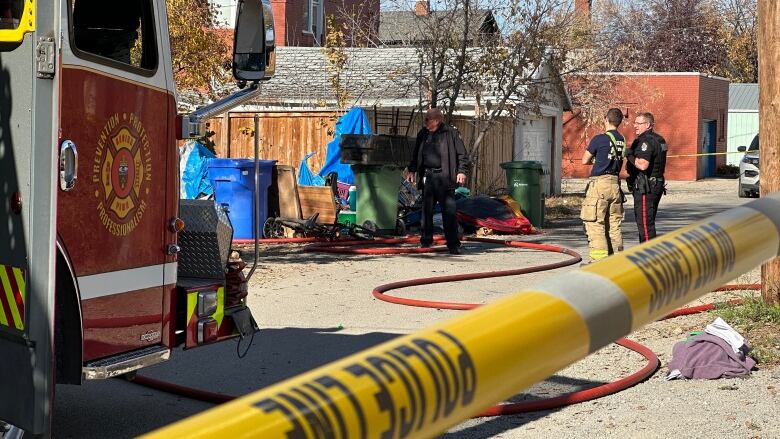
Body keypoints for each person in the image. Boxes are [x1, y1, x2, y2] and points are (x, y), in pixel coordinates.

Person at [406, 108, 469, 255]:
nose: (425, 122)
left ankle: (453, 244)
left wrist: (462, 171)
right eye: (425, 119)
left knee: (449, 212)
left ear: (437, 120)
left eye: (428, 119)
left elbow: (462, 154)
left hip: (444, 177)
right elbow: (416, 154)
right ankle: (426, 241)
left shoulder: (450, 133)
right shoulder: (423, 134)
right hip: (428, 177)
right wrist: (412, 169)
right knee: (426, 211)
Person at [580, 108, 627, 263]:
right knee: (614, 225)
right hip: (615, 185)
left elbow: (584, 160)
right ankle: (617, 262)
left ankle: (598, 263)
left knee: (595, 224)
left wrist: (596, 159)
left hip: (600, 185)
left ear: (606, 119)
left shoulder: (599, 139)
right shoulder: (622, 140)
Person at [626, 112, 667, 243]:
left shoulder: (646, 142)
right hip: (656, 184)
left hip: (646, 187)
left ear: (648, 125)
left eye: (638, 123)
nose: (635, 126)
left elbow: (643, 165)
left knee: (645, 224)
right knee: (648, 221)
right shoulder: (659, 139)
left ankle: (649, 258)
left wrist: (629, 155)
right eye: (635, 123)